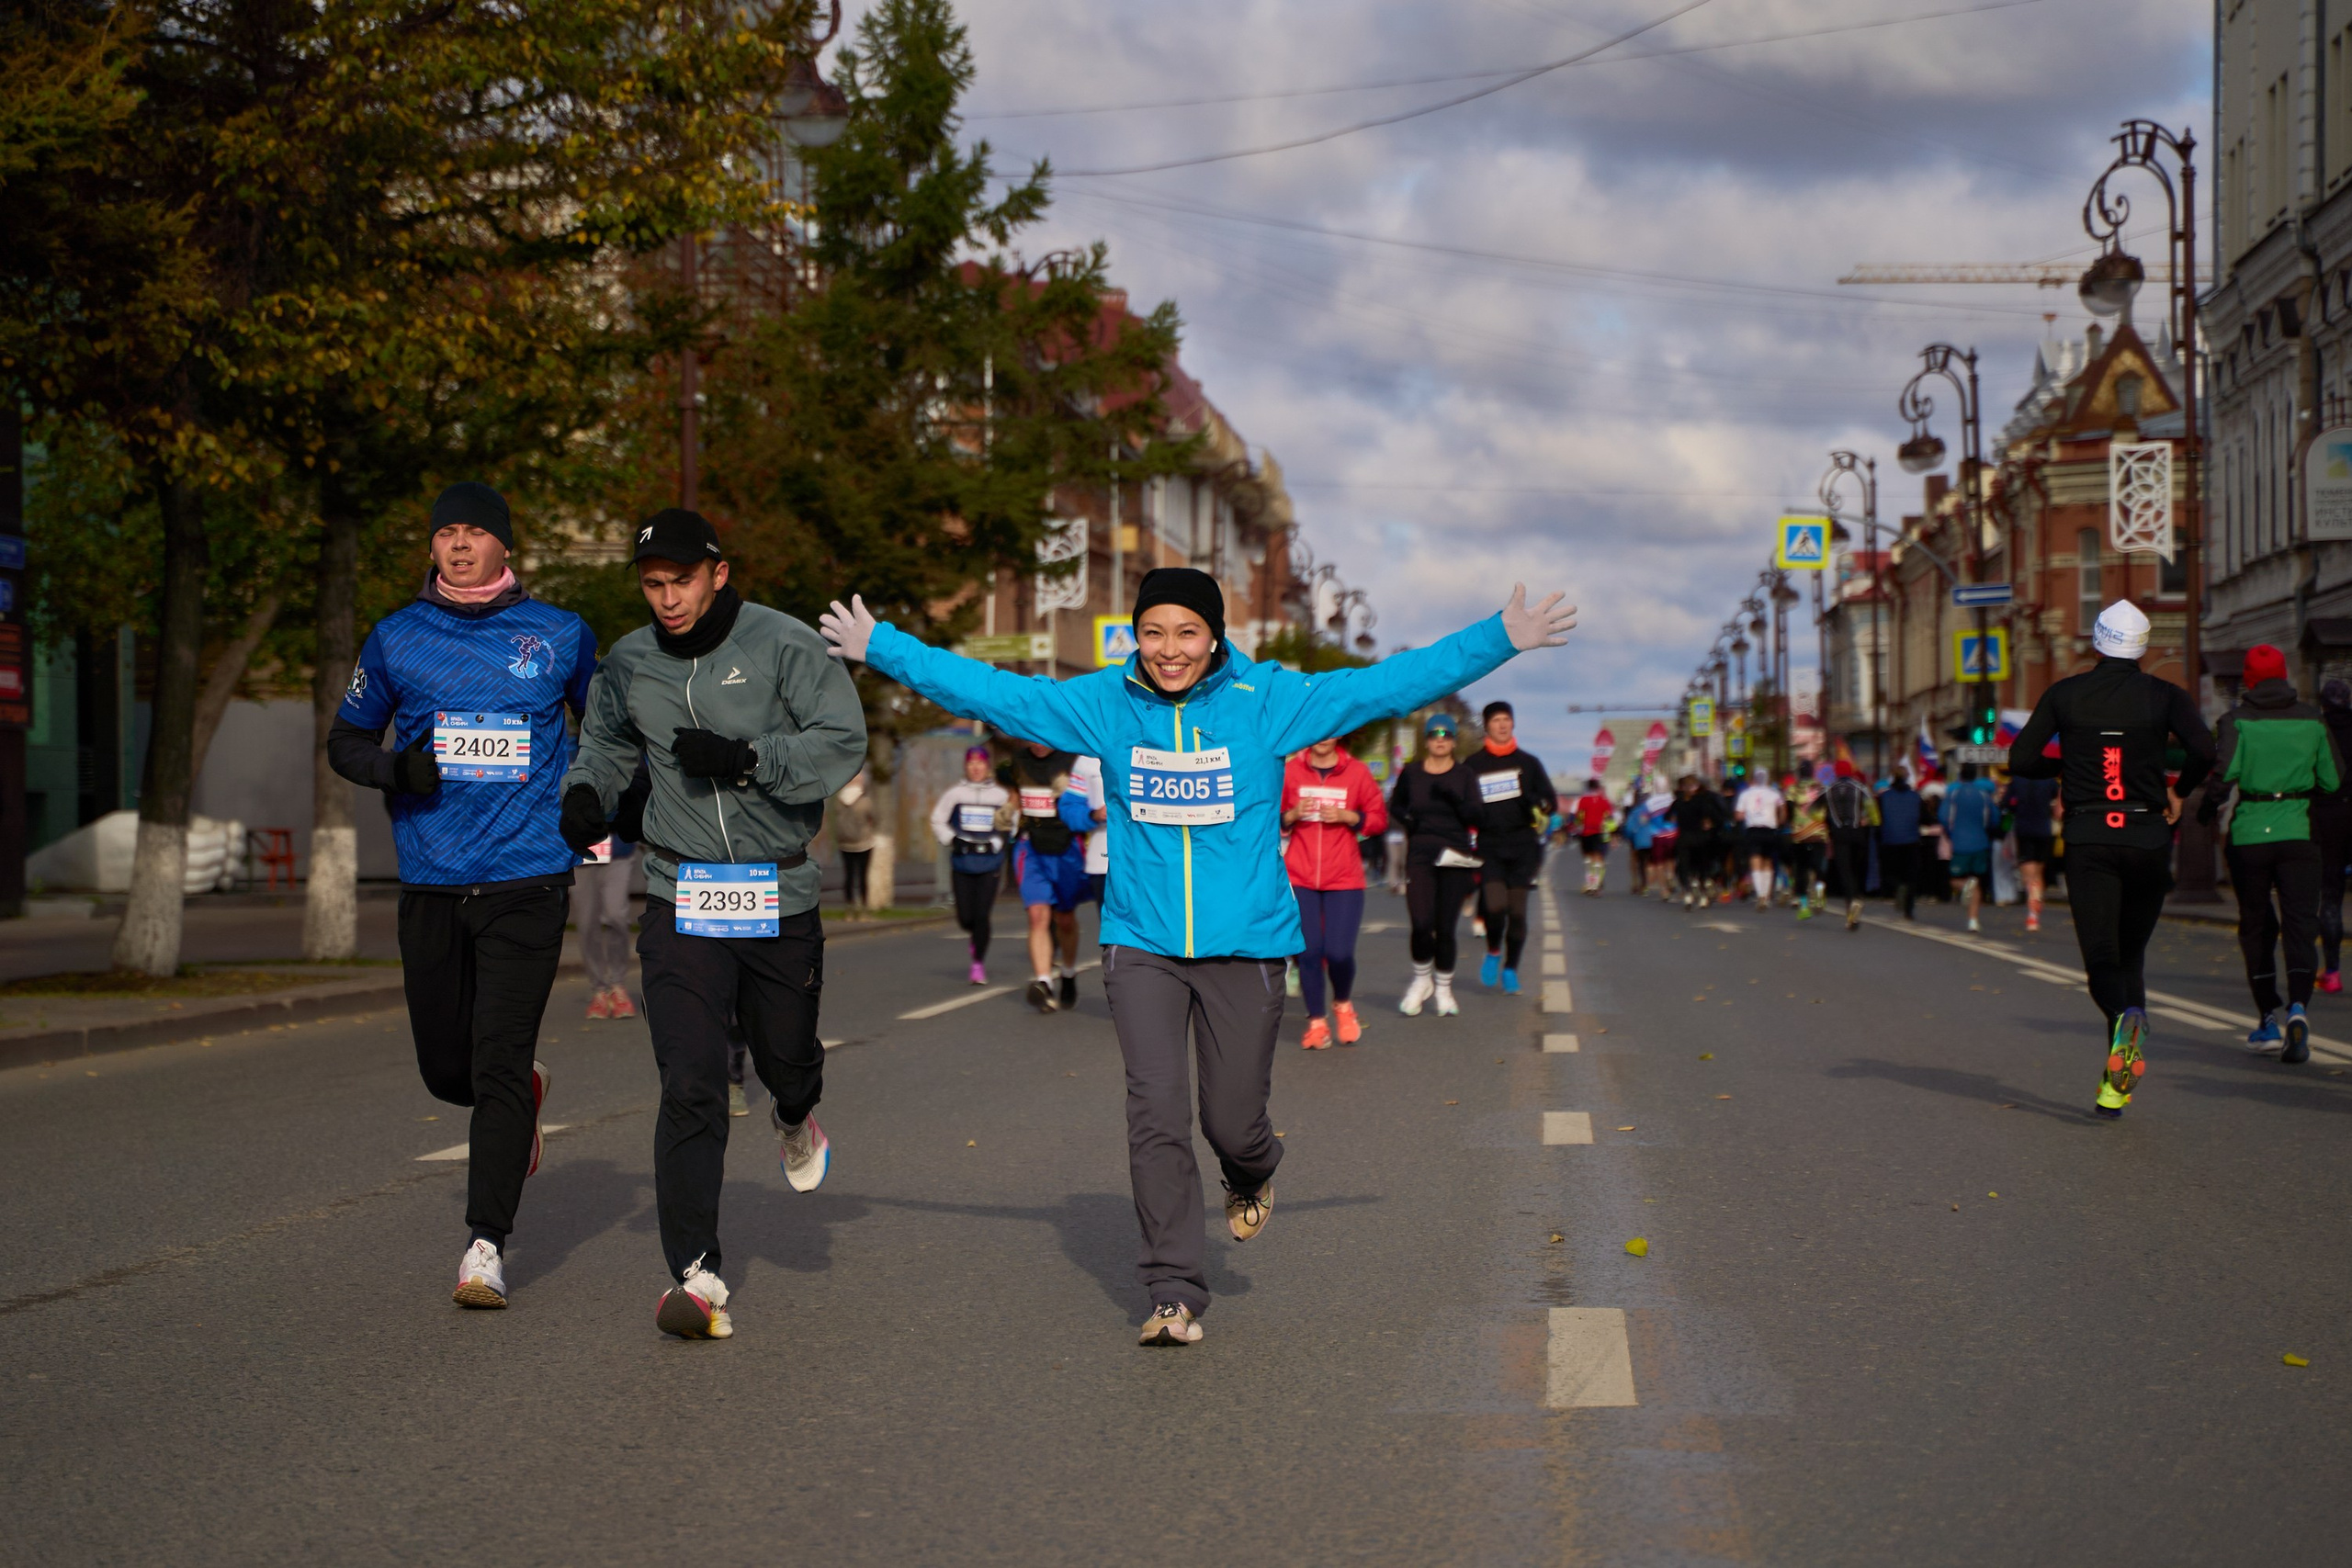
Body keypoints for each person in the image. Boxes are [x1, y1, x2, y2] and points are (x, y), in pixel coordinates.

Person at [823, 570, 1577, 1345]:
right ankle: (1173, 1288)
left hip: (1245, 946)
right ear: (1136, 637)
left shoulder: (1268, 703)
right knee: (1154, 1115)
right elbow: (993, 693)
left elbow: (1389, 684)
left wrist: (1498, 638)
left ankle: (1252, 1167)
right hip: (1141, 943)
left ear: (1214, 635)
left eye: (1186, 632)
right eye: (1153, 632)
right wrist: (882, 645)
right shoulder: (1107, 703)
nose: (1169, 650)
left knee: (1232, 1121)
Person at [559, 507, 866, 1339]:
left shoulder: (783, 643)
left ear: (718, 573)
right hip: (680, 892)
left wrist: (748, 757)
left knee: (787, 1060)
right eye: (653, 585)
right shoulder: (629, 662)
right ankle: (695, 1272)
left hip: (778, 894)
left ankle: (796, 1117)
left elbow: (844, 741)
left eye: (682, 581)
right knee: (691, 1079)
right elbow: (607, 745)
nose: (668, 599)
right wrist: (585, 791)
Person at [327, 481, 597, 1313]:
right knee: (448, 1069)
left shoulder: (559, 634)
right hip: (433, 878)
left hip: (528, 874)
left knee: (498, 1058)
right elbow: (344, 741)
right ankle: (520, 1093)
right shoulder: (397, 638)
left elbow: (609, 734)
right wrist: (395, 768)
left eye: (475, 531)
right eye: (446, 530)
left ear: (505, 547)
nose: (459, 543)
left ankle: (485, 1247)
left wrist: (597, 803)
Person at [2008, 600, 2214, 1118]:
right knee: (2131, 957)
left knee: (2102, 958)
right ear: (2142, 646)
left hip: (2089, 835)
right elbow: (2205, 751)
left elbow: (2020, 758)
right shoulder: (2166, 694)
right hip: (2147, 835)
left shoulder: (2066, 693)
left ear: (2098, 642)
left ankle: (2125, 1029)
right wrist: (2179, 790)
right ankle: (2114, 1084)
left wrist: (2067, 767)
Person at [2199, 643, 2342, 1061]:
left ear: (2249, 680)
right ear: (2284, 677)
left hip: (2250, 836)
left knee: (2257, 926)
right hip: (2299, 831)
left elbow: (2223, 776)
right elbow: (2333, 780)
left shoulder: (2236, 721)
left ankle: (2267, 1019)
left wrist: (2206, 812)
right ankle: (2299, 1008)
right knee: (2301, 922)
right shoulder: (2313, 721)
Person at [1283, 736, 1388, 1047]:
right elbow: (1269, 816)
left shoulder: (1356, 772)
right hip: (1300, 875)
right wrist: (1293, 814)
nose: (1324, 736)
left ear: (1339, 734)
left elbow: (1379, 819)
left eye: (1331, 730)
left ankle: (1343, 1004)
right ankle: (1316, 1022)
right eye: (1319, 729)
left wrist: (1349, 817)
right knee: (1309, 952)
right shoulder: (1291, 772)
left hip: (1344, 877)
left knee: (1339, 953)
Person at [1460, 701, 1557, 990]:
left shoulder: (1528, 762)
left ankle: (1511, 968)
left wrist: (1538, 802)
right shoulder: (1474, 765)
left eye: (1507, 720)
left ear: (1513, 724)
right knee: (1495, 907)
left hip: (1522, 845)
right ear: (1487, 726)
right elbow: (1462, 803)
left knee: (1517, 912)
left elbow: (1549, 800)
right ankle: (1493, 951)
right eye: (1496, 720)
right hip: (1489, 845)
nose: (1502, 725)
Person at [1392, 714, 1483, 1017]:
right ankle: (1421, 982)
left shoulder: (1464, 775)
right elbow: (1396, 805)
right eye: (1434, 734)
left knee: (1445, 928)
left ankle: (1443, 988)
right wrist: (1409, 820)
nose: (1440, 739)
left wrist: (1456, 800)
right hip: (1420, 854)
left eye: (1446, 734)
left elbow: (1475, 815)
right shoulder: (1412, 773)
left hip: (1454, 855)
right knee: (1420, 923)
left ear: (1454, 741)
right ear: (1427, 740)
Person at [1010, 740, 1095, 1012]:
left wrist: (1069, 793)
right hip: (1031, 846)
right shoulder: (1019, 760)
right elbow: (1015, 793)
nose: (1035, 742)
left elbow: (1092, 797)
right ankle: (1044, 981)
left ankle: (1068, 972)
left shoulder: (1073, 759)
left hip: (1066, 846)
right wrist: (1008, 811)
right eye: (1029, 736)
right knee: (1037, 916)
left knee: (1065, 919)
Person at [931, 744, 1012, 985]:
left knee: (981, 916)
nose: (976, 768)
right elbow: (937, 820)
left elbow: (1011, 825)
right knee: (965, 918)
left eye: (980, 763)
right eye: (971, 763)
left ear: (987, 766)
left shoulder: (999, 795)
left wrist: (996, 843)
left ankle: (978, 964)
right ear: (966, 766)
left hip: (990, 863)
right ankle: (974, 937)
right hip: (962, 862)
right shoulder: (955, 794)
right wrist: (951, 839)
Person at [580, 759, 650, 1022]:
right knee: (587, 924)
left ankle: (617, 985)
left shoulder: (626, 751)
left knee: (616, 916)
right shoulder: (568, 750)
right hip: (583, 848)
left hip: (618, 847)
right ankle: (599, 989)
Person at [2312, 680, 2352, 992]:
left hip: (2326, 819)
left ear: (2323, 704)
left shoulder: (2316, 732)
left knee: (2330, 896)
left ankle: (2333, 972)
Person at [1940, 762, 2000, 933]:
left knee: (1954, 878)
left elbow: (1944, 817)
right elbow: (1993, 818)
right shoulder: (1983, 795)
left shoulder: (1954, 794)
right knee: (1977, 881)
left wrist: (1952, 833)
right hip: (1980, 842)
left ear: (1961, 775)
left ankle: (1965, 886)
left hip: (1960, 843)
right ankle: (1973, 920)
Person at [1999, 767, 2060, 933]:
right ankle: (2036, 907)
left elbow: (2005, 804)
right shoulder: (2049, 780)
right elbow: (2058, 797)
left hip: (2024, 830)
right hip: (2044, 830)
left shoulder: (2017, 780)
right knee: (2038, 874)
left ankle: (2032, 914)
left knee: (2028, 875)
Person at [1823, 760, 1877, 931]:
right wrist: (1866, 820)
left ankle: (1851, 908)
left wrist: (1828, 825)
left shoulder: (1828, 789)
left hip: (1839, 834)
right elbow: (1875, 815)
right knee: (1856, 869)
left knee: (1845, 872)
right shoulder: (1861, 788)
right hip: (1858, 833)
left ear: (1836, 772)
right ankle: (1858, 897)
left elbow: (1815, 813)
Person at [1669, 773, 1724, 908]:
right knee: (1702, 866)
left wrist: (1678, 820)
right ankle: (1704, 894)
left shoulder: (1678, 801)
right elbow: (1712, 819)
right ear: (1697, 786)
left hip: (1684, 838)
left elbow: (1668, 817)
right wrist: (1708, 824)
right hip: (1701, 838)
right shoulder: (1703, 800)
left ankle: (1688, 893)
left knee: (1684, 865)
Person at [830, 768, 879, 918]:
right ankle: (863, 908)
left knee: (849, 875)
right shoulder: (865, 800)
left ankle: (849, 908)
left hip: (845, 843)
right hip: (864, 843)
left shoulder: (839, 799)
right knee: (863, 876)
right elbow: (873, 818)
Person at [1876, 768, 1924, 919]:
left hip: (1890, 839)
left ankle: (1897, 887)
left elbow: (1878, 820)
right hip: (1911, 839)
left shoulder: (1884, 797)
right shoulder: (1915, 797)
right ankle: (1909, 911)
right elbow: (1924, 817)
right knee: (1911, 876)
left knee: (1890, 872)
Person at [1733, 770, 1784, 908]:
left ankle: (1760, 895)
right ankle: (1766, 896)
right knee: (1767, 860)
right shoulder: (1774, 793)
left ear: (1754, 779)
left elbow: (1738, 815)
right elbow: (1782, 809)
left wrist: (1750, 814)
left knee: (1755, 859)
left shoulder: (1745, 794)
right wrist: (1779, 821)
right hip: (1770, 830)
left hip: (1753, 830)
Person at [1788, 769, 1829, 919]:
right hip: (1819, 834)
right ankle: (1819, 892)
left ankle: (1804, 906)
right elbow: (1828, 811)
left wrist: (1792, 823)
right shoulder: (1821, 788)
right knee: (1818, 866)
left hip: (1799, 836)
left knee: (1801, 870)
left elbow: (1788, 809)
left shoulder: (1792, 789)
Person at [1571, 779, 1613, 895]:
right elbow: (1609, 817)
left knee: (1588, 858)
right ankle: (1596, 884)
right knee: (1598, 857)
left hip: (1586, 831)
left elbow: (1579, 816)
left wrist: (1577, 825)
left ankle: (1590, 883)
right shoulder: (1604, 801)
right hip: (1599, 831)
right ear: (1598, 787)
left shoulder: (1583, 800)